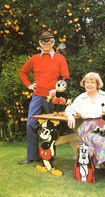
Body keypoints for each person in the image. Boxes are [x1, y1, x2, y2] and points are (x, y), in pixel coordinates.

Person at [18, 31, 70, 164]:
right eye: (44, 42)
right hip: (36, 96)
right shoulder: (34, 58)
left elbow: (66, 79)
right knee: (30, 124)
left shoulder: (60, 58)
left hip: (51, 98)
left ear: (53, 43)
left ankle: (49, 156)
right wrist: (29, 85)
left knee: (51, 126)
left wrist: (58, 89)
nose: (47, 44)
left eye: (50, 41)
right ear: (40, 43)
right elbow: (23, 72)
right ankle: (32, 157)